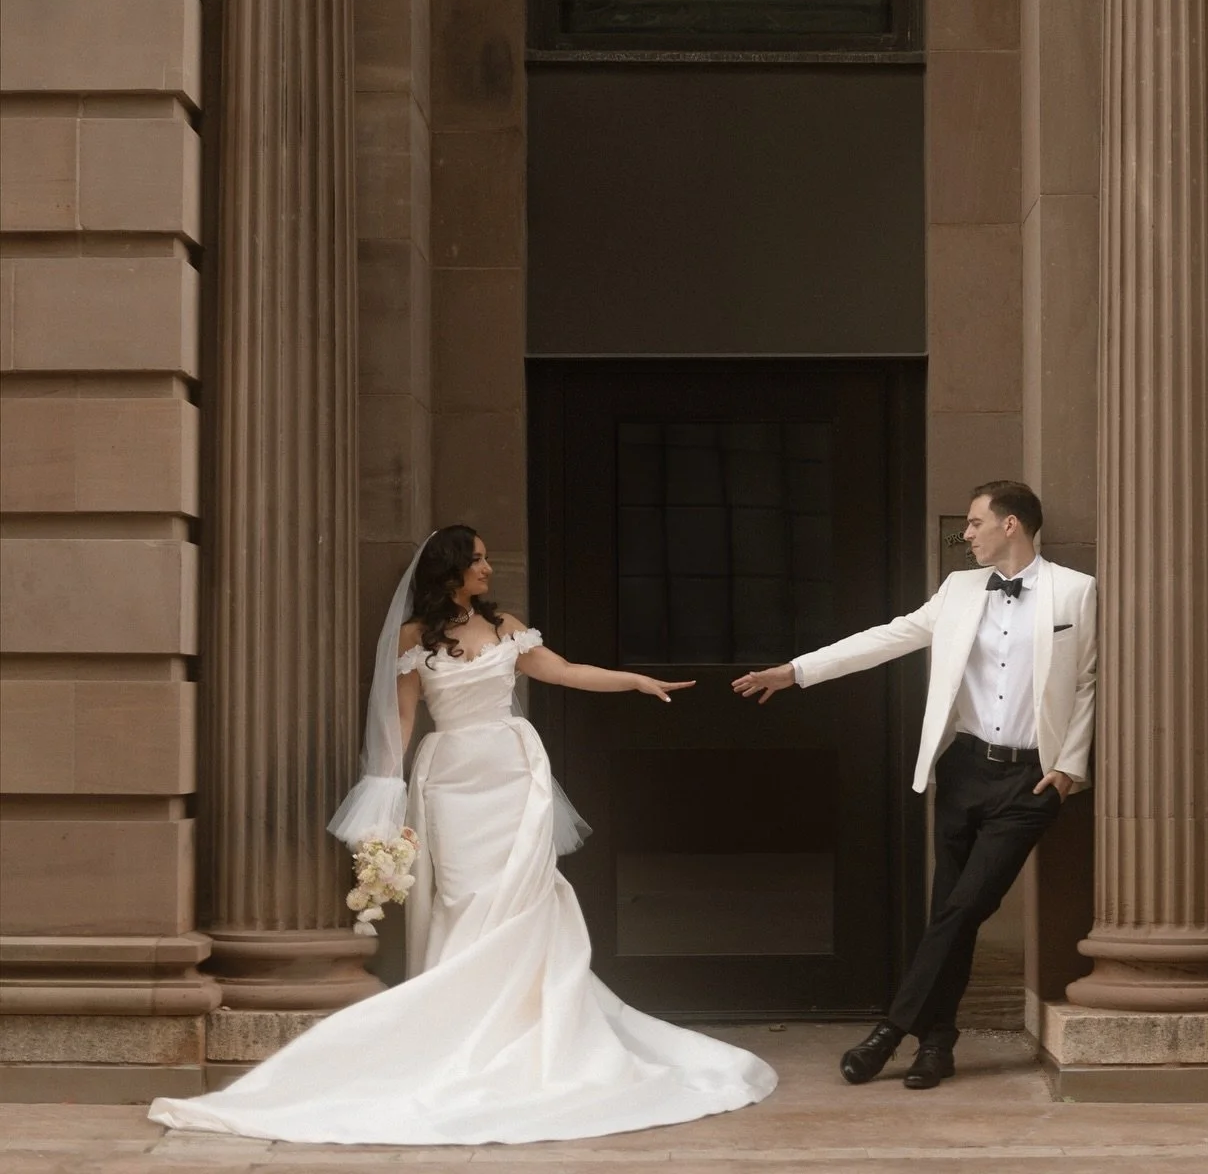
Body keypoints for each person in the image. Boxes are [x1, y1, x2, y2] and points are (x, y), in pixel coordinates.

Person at [149, 525, 776, 1145]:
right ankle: (456, 1025)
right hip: (448, 781)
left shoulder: (507, 627)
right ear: (449, 572)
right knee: (461, 897)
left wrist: (635, 681)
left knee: (526, 896)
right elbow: (397, 724)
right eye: (475, 560)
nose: (486, 568)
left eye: (484, 560)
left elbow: (563, 671)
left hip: (512, 773)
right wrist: (384, 806)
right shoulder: (413, 639)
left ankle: (529, 1026)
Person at [733, 480, 1095, 1091]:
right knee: (948, 912)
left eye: (977, 523)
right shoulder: (957, 590)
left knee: (963, 908)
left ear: (1012, 525)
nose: (968, 534)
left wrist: (1069, 769)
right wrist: (798, 671)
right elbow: (887, 637)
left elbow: (1086, 682)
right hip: (963, 772)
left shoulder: (1077, 592)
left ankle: (890, 1030)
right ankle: (937, 1044)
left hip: (1031, 780)